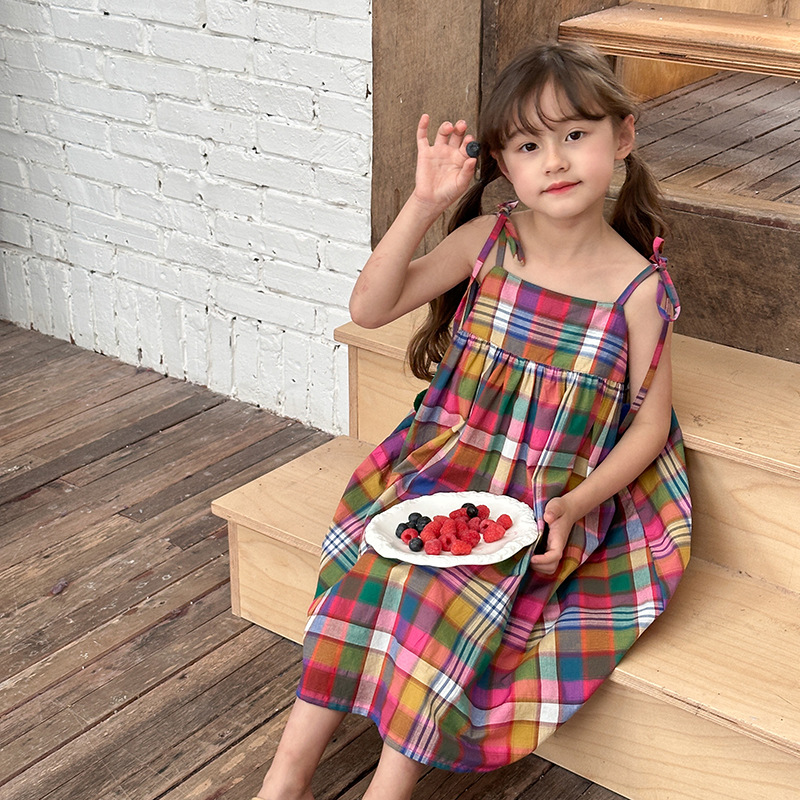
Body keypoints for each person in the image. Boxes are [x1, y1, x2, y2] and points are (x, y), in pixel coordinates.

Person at [255, 41, 691, 800]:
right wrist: (423, 203)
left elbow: (650, 429)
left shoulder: (639, 291)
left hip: (546, 493)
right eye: (529, 145)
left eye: (575, 134)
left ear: (622, 136)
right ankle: (284, 778)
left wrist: (574, 507)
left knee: (441, 603)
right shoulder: (489, 243)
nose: (555, 160)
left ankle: (388, 789)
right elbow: (370, 308)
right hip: (445, 469)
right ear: (502, 164)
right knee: (377, 576)